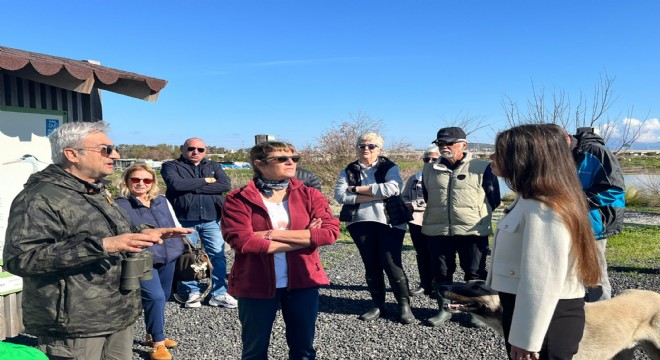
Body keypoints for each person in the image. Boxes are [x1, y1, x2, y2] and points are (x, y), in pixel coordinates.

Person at [2, 121, 192, 360]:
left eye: (114, 148)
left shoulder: (97, 191)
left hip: (117, 315)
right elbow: (21, 259)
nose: (116, 155)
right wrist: (104, 246)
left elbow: (110, 231)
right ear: (71, 154)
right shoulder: (39, 197)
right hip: (76, 325)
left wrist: (144, 233)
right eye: (105, 149)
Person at [488, 123, 601, 360]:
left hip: (546, 319)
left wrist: (528, 339)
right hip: (531, 312)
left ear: (525, 158)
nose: (491, 156)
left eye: (501, 152)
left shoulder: (545, 208)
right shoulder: (529, 200)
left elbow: (542, 278)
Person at [221, 141, 339, 359]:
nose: (291, 162)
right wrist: (306, 238)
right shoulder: (238, 199)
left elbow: (330, 233)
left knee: (303, 349)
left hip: (303, 281)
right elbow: (244, 242)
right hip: (255, 282)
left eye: (294, 158)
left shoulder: (309, 194)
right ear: (260, 164)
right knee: (254, 350)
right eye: (282, 159)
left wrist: (270, 233)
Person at [421, 126, 500, 327]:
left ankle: (476, 311)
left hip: (472, 230)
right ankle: (443, 310)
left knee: (474, 272)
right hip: (438, 230)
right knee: (441, 272)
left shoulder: (482, 167)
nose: (443, 147)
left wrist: (472, 214)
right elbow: (429, 197)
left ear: (463, 145)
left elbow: (494, 199)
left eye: (449, 143)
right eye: (440, 143)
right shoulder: (429, 169)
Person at [334, 132, 414, 324]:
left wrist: (356, 189)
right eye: (362, 146)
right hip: (359, 223)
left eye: (371, 146)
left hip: (389, 222)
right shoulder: (349, 169)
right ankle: (378, 304)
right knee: (371, 265)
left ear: (379, 149)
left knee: (391, 264)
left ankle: (404, 305)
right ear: (357, 148)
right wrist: (376, 194)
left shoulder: (389, 167)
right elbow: (340, 196)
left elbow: (393, 189)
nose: (366, 149)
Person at [116, 164, 186, 360]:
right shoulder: (119, 204)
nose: (141, 184)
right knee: (155, 297)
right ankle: (158, 343)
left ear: (153, 183)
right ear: (126, 181)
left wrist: (181, 243)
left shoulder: (161, 201)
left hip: (169, 254)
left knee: (162, 296)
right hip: (141, 258)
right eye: (135, 179)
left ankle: (151, 333)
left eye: (146, 180)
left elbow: (174, 223)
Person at [161, 138, 237, 309]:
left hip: (211, 219)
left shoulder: (213, 166)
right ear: (182, 149)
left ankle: (218, 293)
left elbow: (225, 185)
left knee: (218, 256)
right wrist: (207, 181)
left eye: (200, 149)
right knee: (187, 257)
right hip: (184, 219)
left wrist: (193, 187)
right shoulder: (171, 166)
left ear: (205, 151)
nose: (196, 152)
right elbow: (176, 185)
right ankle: (192, 292)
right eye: (191, 148)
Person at [570, 127, 626, 302]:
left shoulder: (597, 152)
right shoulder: (561, 155)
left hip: (594, 223)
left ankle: (602, 319)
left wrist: (575, 202)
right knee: (571, 272)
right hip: (568, 222)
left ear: (565, 139)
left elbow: (615, 189)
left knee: (595, 275)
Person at [401, 145, 440, 298]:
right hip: (417, 220)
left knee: (439, 254)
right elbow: (403, 196)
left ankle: (439, 285)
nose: (430, 161)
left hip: (439, 220)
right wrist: (408, 204)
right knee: (422, 253)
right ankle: (424, 284)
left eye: (434, 159)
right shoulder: (414, 177)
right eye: (426, 159)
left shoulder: (445, 176)